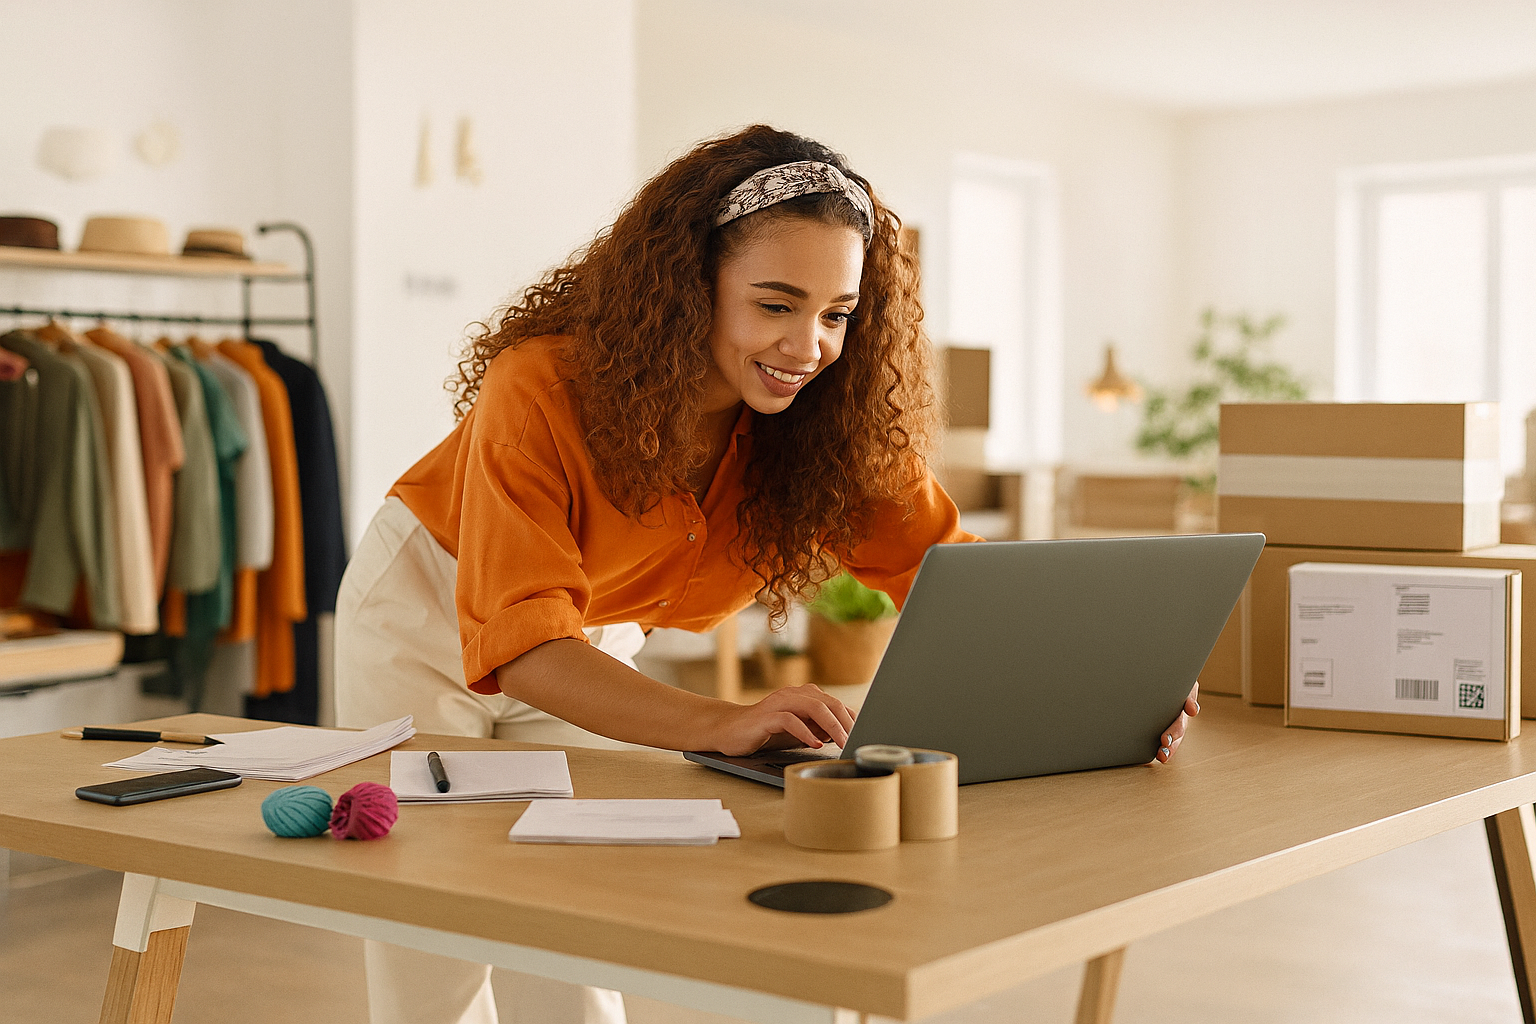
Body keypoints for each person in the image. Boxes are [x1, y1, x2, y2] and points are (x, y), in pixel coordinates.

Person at [335, 125, 1199, 1024]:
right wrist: (719, 720)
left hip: (584, 629)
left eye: (836, 313)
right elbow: (525, 647)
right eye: (777, 304)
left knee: (572, 906)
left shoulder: (829, 426)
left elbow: (954, 579)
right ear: (688, 285)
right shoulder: (540, 386)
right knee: (430, 922)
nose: (809, 346)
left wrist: (1108, 680)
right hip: (429, 613)